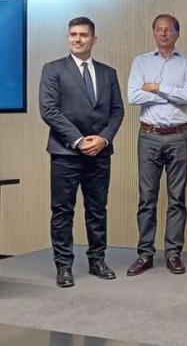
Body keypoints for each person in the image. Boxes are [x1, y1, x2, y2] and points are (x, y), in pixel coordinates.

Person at [39, 16, 124, 287]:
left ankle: (97, 260)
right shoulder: (53, 69)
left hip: (100, 152)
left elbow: (117, 111)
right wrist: (78, 140)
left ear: (93, 39)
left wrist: (104, 139)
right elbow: (49, 109)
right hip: (65, 152)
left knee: (97, 210)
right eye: (73, 34)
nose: (77, 39)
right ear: (68, 37)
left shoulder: (108, 73)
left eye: (83, 35)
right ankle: (64, 266)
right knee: (62, 211)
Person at [126, 14, 187, 276]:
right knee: (147, 197)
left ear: (177, 33)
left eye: (168, 29)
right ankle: (145, 254)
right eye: (159, 29)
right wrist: (168, 94)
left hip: (179, 136)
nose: (163, 33)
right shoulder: (141, 61)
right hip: (149, 135)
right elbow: (133, 95)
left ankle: (173, 253)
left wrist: (156, 88)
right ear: (154, 33)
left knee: (177, 198)